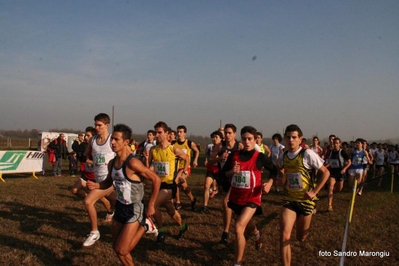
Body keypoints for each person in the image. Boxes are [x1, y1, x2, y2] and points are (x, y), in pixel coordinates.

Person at [87, 124, 160, 266]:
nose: (112, 142)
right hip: (120, 207)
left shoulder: (133, 163)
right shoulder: (112, 163)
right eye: (112, 139)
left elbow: (156, 179)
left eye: (116, 139)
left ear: (126, 142)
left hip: (135, 208)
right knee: (117, 248)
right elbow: (108, 182)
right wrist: (96, 185)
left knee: (122, 248)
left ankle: (145, 225)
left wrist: (151, 204)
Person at [220, 126, 276, 266]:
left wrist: (269, 182)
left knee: (238, 227)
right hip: (236, 198)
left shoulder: (260, 157)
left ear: (255, 139)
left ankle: (237, 263)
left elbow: (274, 170)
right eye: (244, 139)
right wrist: (231, 172)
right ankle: (257, 234)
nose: (246, 142)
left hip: (253, 198)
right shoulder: (235, 156)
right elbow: (222, 174)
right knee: (245, 223)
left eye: (250, 139)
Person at [277, 124, 329, 266]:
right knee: (284, 235)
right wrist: (281, 175)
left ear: (300, 139)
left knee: (301, 238)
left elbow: (326, 173)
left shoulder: (307, 154)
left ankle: (304, 228)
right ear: (285, 139)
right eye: (288, 137)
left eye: (294, 137)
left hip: (306, 202)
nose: (291, 140)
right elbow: (278, 167)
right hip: (290, 200)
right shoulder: (283, 156)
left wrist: (314, 192)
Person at [147, 121, 189, 244]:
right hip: (157, 185)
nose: (157, 135)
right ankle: (183, 226)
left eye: (160, 132)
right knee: (171, 211)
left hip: (169, 186)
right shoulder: (153, 150)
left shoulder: (173, 149)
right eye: (156, 133)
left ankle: (161, 231)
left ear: (166, 133)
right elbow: (148, 168)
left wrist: (183, 173)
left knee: (153, 206)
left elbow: (186, 158)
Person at [83, 113, 116, 247]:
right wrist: (91, 160)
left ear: (107, 125)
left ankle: (94, 232)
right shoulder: (93, 140)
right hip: (98, 179)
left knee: (88, 201)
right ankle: (146, 222)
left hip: (110, 181)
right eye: (95, 124)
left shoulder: (112, 140)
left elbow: (124, 155)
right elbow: (86, 154)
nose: (96, 127)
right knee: (122, 203)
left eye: (99, 125)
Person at [211, 123, 243, 244]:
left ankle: (225, 232)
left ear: (235, 134)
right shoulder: (220, 146)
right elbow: (210, 160)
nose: (227, 135)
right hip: (224, 177)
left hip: (235, 178)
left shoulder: (239, 146)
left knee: (226, 202)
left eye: (230, 133)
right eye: (226, 133)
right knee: (230, 208)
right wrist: (220, 158)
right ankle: (253, 230)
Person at [70, 126, 114, 214]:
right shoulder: (84, 146)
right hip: (86, 175)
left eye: (88, 135)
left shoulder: (97, 147)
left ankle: (110, 212)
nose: (85, 137)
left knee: (104, 199)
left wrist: (88, 161)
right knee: (74, 190)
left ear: (93, 137)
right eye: (85, 135)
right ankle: (90, 197)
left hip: (95, 176)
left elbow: (99, 161)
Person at [171, 125, 199, 211]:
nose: (179, 134)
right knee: (181, 185)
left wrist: (195, 160)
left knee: (179, 181)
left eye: (181, 132)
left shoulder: (189, 143)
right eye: (178, 132)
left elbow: (197, 151)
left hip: (185, 167)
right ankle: (186, 201)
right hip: (175, 168)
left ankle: (181, 202)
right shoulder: (173, 143)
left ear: (185, 133)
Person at [325, 137, 351, 211]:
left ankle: (336, 188)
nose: (335, 145)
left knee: (339, 189)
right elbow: (330, 162)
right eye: (334, 143)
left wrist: (344, 169)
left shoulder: (342, 152)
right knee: (330, 187)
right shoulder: (331, 152)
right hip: (333, 171)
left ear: (340, 144)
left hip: (340, 172)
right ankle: (329, 205)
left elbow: (349, 162)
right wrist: (324, 167)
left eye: (337, 143)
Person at [201, 130, 223, 214]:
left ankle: (226, 206)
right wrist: (207, 160)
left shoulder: (223, 148)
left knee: (222, 191)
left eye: (216, 137)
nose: (214, 139)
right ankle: (205, 206)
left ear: (221, 139)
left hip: (220, 171)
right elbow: (207, 155)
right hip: (211, 170)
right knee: (206, 186)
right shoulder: (210, 147)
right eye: (213, 137)